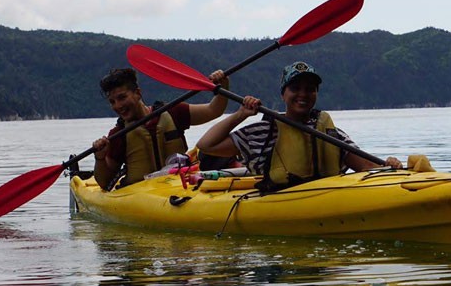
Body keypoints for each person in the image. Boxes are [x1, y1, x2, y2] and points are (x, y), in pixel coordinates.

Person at [196, 61, 404, 190]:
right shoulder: (263, 132)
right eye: (295, 88)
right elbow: (207, 145)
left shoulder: (331, 133)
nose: (303, 94)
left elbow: (366, 166)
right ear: (283, 94)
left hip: (327, 199)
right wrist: (240, 114)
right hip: (278, 203)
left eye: (310, 89)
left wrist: (389, 166)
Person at [92, 67, 229, 189]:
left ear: (138, 93)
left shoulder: (174, 112)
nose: (117, 106)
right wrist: (100, 158)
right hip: (141, 195)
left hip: (180, 186)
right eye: (112, 102)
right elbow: (104, 183)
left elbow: (214, 110)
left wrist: (223, 86)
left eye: (122, 97)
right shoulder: (118, 134)